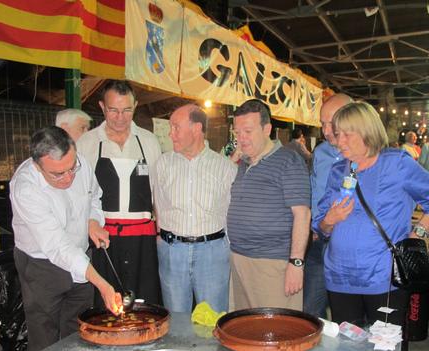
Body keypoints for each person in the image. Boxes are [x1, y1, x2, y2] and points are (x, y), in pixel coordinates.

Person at [313, 101, 429, 351]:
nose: (339, 141)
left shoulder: (397, 164)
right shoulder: (338, 170)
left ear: (367, 132)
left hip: (382, 280)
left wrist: (417, 234)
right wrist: (330, 219)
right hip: (340, 278)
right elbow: (320, 226)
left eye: (347, 134)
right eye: (337, 134)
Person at [10, 126, 124, 351]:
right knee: (45, 345)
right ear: (37, 165)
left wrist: (93, 221)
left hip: (80, 259)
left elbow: (94, 197)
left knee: (79, 336)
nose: (68, 178)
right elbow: (56, 246)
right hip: (42, 266)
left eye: (71, 169)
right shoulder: (26, 187)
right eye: (57, 174)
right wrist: (102, 283)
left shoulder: (80, 164)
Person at [77, 80, 162, 306]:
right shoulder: (87, 143)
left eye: (127, 110)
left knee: (145, 302)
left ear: (135, 106)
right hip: (103, 238)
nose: (120, 118)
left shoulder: (149, 141)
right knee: (107, 302)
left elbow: (158, 191)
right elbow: (81, 194)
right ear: (102, 107)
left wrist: (160, 232)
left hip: (143, 238)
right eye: (113, 110)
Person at [227, 99, 311, 310]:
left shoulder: (289, 160)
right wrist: (233, 161)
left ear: (267, 129)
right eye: (237, 132)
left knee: (275, 325)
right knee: (244, 324)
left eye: (247, 131)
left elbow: (302, 214)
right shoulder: (242, 163)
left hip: (272, 263)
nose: (241, 138)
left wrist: (296, 263)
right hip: (239, 258)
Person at [154, 104, 237, 313]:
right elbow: (158, 205)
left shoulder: (225, 167)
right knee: (176, 319)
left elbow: (231, 213)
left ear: (196, 128)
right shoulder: (162, 164)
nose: (170, 134)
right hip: (172, 251)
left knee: (212, 318)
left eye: (176, 127)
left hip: (212, 252)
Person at [303, 93, 352, 318]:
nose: (325, 130)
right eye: (322, 124)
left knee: (348, 316)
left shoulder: (367, 154)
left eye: (330, 123)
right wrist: (312, 225)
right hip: (319, 242)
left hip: (350, 246)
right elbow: (313, 190)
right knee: (310, 311)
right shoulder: (321, 153)